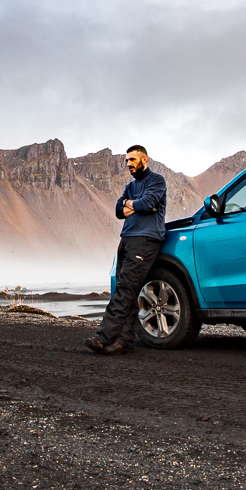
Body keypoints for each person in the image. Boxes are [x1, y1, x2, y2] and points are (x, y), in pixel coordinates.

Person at [85, 144, 166, 355]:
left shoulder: (157, 181)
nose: (128, 164)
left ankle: (103, 337)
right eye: (127, 160)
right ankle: (124, 340)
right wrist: (132, 205)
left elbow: (147, 203)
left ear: (144, 159)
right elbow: (118, 211)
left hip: (146, 240)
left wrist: (132, 204)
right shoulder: (131, 186)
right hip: (127, 239)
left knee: (125, 289)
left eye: (132, 159)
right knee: (126, 288)